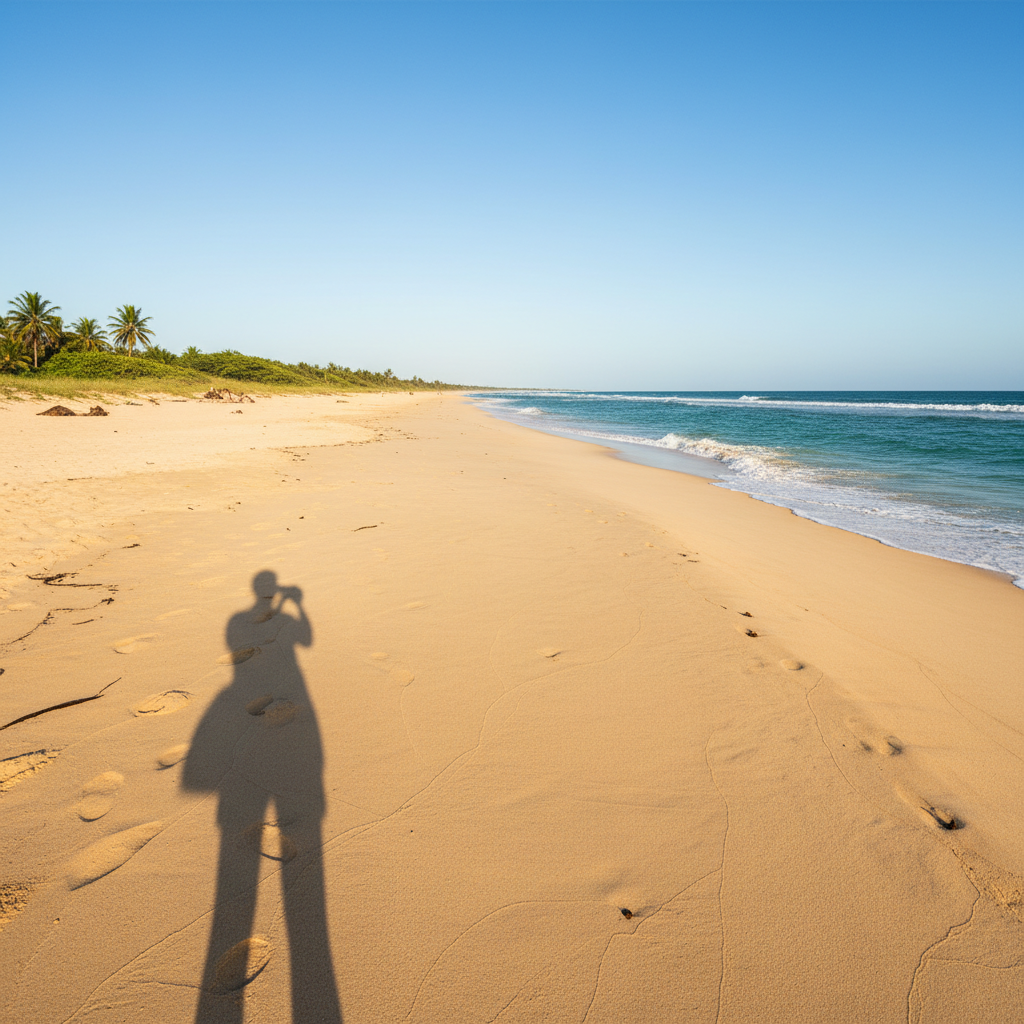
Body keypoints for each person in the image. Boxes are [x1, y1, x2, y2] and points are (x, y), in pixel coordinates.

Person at [183, 571, 342, 1023]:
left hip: (239, 788)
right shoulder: (283, 624)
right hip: (298, 759)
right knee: (307, 919)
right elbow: (307, 641)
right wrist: (298, 605)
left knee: (233, 884)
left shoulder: (237, 620)